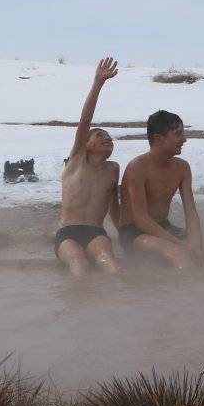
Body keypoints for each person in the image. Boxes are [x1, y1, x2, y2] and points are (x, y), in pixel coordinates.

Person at [55, 58, 122, 276]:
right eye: (100, 136)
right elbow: (85, 120)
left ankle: (127, 303)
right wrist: (98, 83)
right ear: (86, 143)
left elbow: (113, 204)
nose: (107, 139)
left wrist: (123, 232)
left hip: (96, 232)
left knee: (106, 260)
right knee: (77, 261)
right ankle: (77, 307)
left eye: (110, 137)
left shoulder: (113, 169)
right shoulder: (76, 161)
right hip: (68, 233)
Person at [117, 110, 204, 269]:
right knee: (178, 253)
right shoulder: (138, 167)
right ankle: (194, 292)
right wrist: (182, 244)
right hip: (134, 233)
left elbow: (191, 212)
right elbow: (141, 220)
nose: (184, 139)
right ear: (158, 138)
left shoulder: (182, 167)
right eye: (178, 134)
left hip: (165, 227)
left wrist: (195, 242)